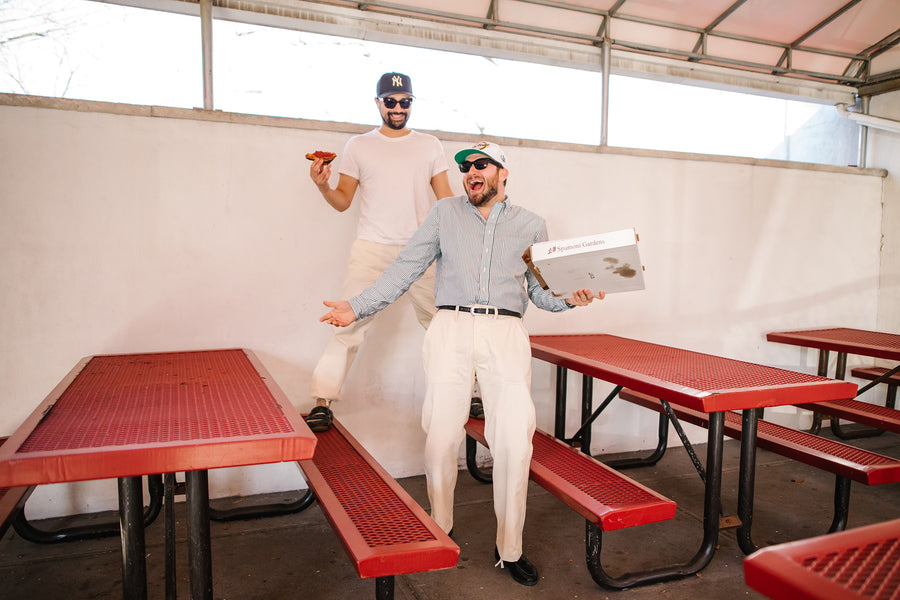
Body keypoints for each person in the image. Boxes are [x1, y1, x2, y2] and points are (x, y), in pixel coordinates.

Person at [319, 141, 603, 587]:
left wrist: (572, 297)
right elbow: (404, 269)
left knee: (514, 442)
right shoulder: (443, 214)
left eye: (481, 165)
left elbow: (543, 294)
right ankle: (440, 529)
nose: (470, 171)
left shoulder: (531, 225)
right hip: (449, 326)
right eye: (466, 166)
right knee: (440, 438)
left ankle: (510, 549)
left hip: (506, 332)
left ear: (503, 173)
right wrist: (358, 306)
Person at [305, 72, 453, 432]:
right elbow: (343, 202)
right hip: (372, 247)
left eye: (405, 101)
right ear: (378, 103)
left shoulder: (430, 145)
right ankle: (323, 401)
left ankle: (469, 392)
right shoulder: (358, 146)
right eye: (390, 101)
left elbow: (446, 201)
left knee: (445, 323)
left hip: (421, 250)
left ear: (411, 104)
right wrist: (323, 186)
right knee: (348, 320)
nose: (398, 107)